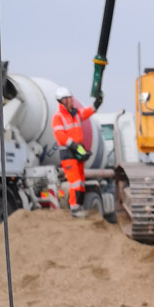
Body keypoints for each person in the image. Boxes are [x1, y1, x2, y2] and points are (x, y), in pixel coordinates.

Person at [51, 86, 95, 216]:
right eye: (69, 98)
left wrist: (97, 103)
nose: (72, 100)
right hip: (68, 153)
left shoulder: (76, 113)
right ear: (63, 101)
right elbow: (61, 137)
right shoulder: (58, 117)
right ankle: (75, 209)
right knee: (74, 182)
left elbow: (88, 111)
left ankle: (79, 207)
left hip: (77, 152)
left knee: (81, 181)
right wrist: (75, 146)